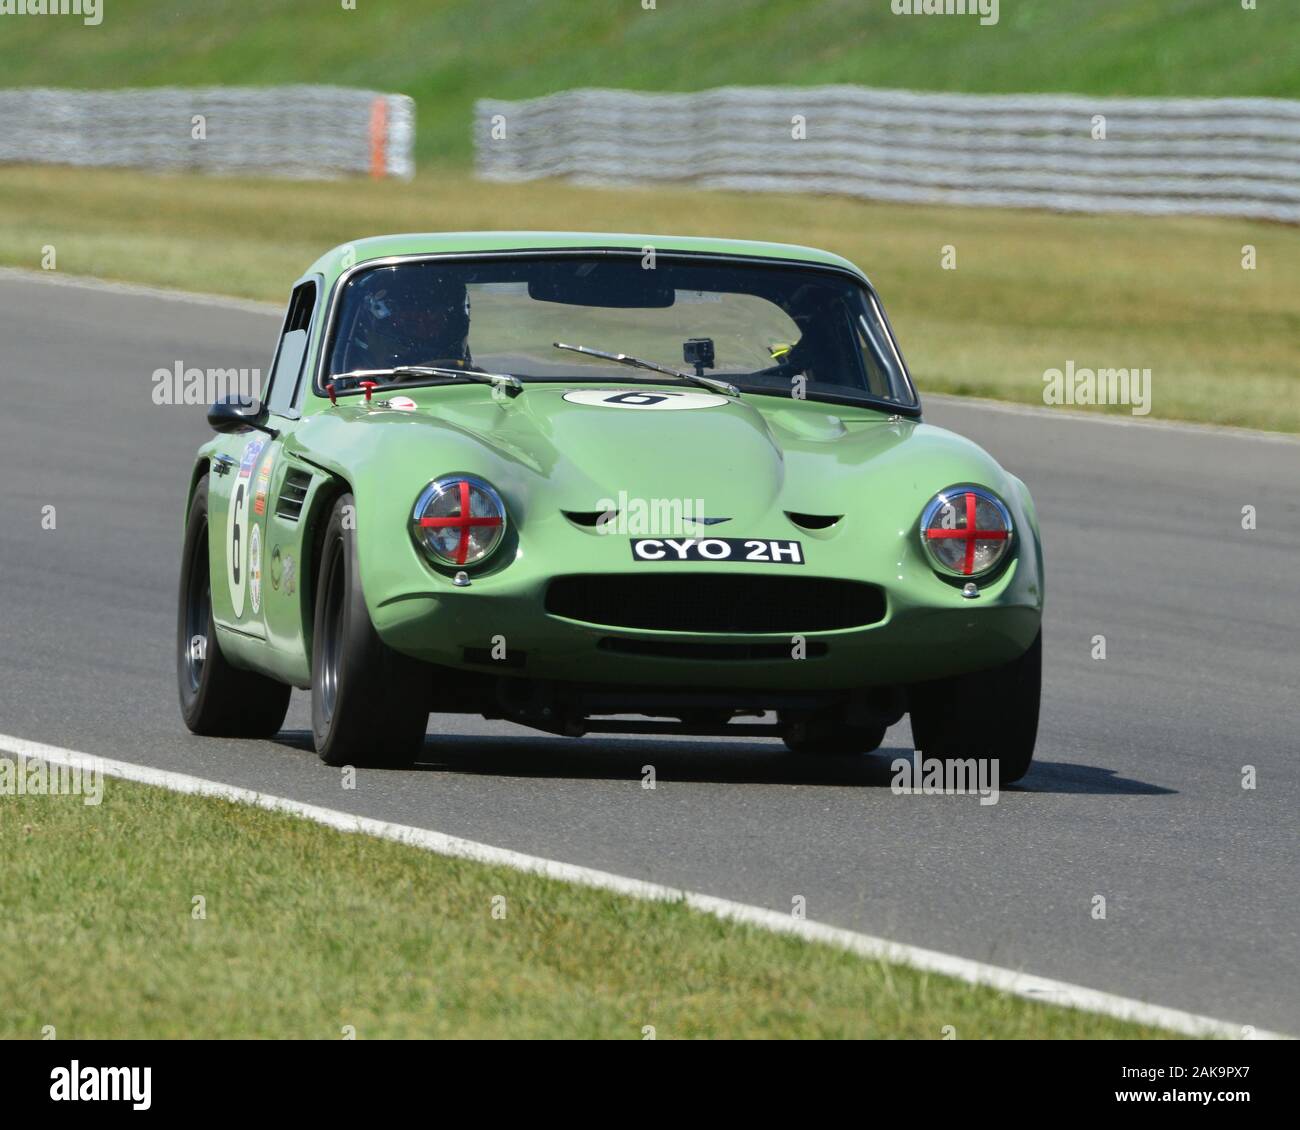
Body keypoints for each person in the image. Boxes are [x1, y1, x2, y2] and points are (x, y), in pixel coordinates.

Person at [355, 268, 473, 370]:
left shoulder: (477, 381)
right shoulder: (353, 379)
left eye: (433, 310)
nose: (424, 320)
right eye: (412, 321)